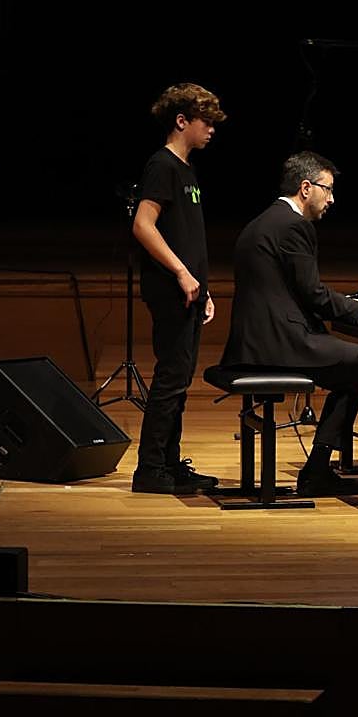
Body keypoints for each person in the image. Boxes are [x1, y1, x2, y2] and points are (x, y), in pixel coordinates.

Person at [219, 150, 358, 498]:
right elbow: (313, 295)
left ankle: (317, 469)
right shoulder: (294, 226)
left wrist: (351, 308)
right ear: (306, 187)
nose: (332, 199)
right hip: (282, 342)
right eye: (328, 190)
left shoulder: (265, 220)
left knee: (354, 366)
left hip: (259, 340)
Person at [130, 83, 226, 494]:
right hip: (170, 289)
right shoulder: (162, 166)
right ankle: (150, 469)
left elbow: (187, 236)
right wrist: (182, 275)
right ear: (181, 121)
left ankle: (169, 462)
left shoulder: (186, 169)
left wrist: (201, 286)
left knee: (181, 377)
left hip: (187, 290)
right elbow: (142, 225)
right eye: (206, 122)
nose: (212, 130)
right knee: (171, 376)